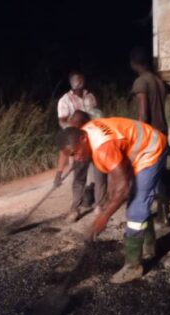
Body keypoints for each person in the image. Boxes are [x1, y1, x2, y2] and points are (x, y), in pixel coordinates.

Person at [56, 116, 168, 284]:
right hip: (136, 148)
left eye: (75, 153)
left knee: (136, 207)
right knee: (136, 201)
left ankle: (133, 267)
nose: (76, 159)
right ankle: (149, 246)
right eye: (71, 156)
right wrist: (108, 200)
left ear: (83, 138)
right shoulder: (86, 133)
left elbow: (123, 187)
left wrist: (104, 216)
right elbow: (114, 177)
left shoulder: (102, 147)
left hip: (151, 149)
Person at [54, 71, 106, 222]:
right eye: (78, 82)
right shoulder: (65, 101)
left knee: (99, 175)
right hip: (78, 143)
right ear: (72, 83)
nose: (81, 84)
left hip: (94, 140)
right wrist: (59, 173)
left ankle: (99, 205)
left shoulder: (90, 96)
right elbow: (62, 124)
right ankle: (74, 209)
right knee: (79, 177)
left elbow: (97, 115)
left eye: (82, 81)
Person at [130, 47, 170, 230]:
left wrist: (138, 142)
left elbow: (143, 115)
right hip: (162, 131)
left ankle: (144, 215)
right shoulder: (158, 81)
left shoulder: (141, 82)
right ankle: (164, 214)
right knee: (160, 175)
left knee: (146, 178)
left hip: (150, 136)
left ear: (134, 64)